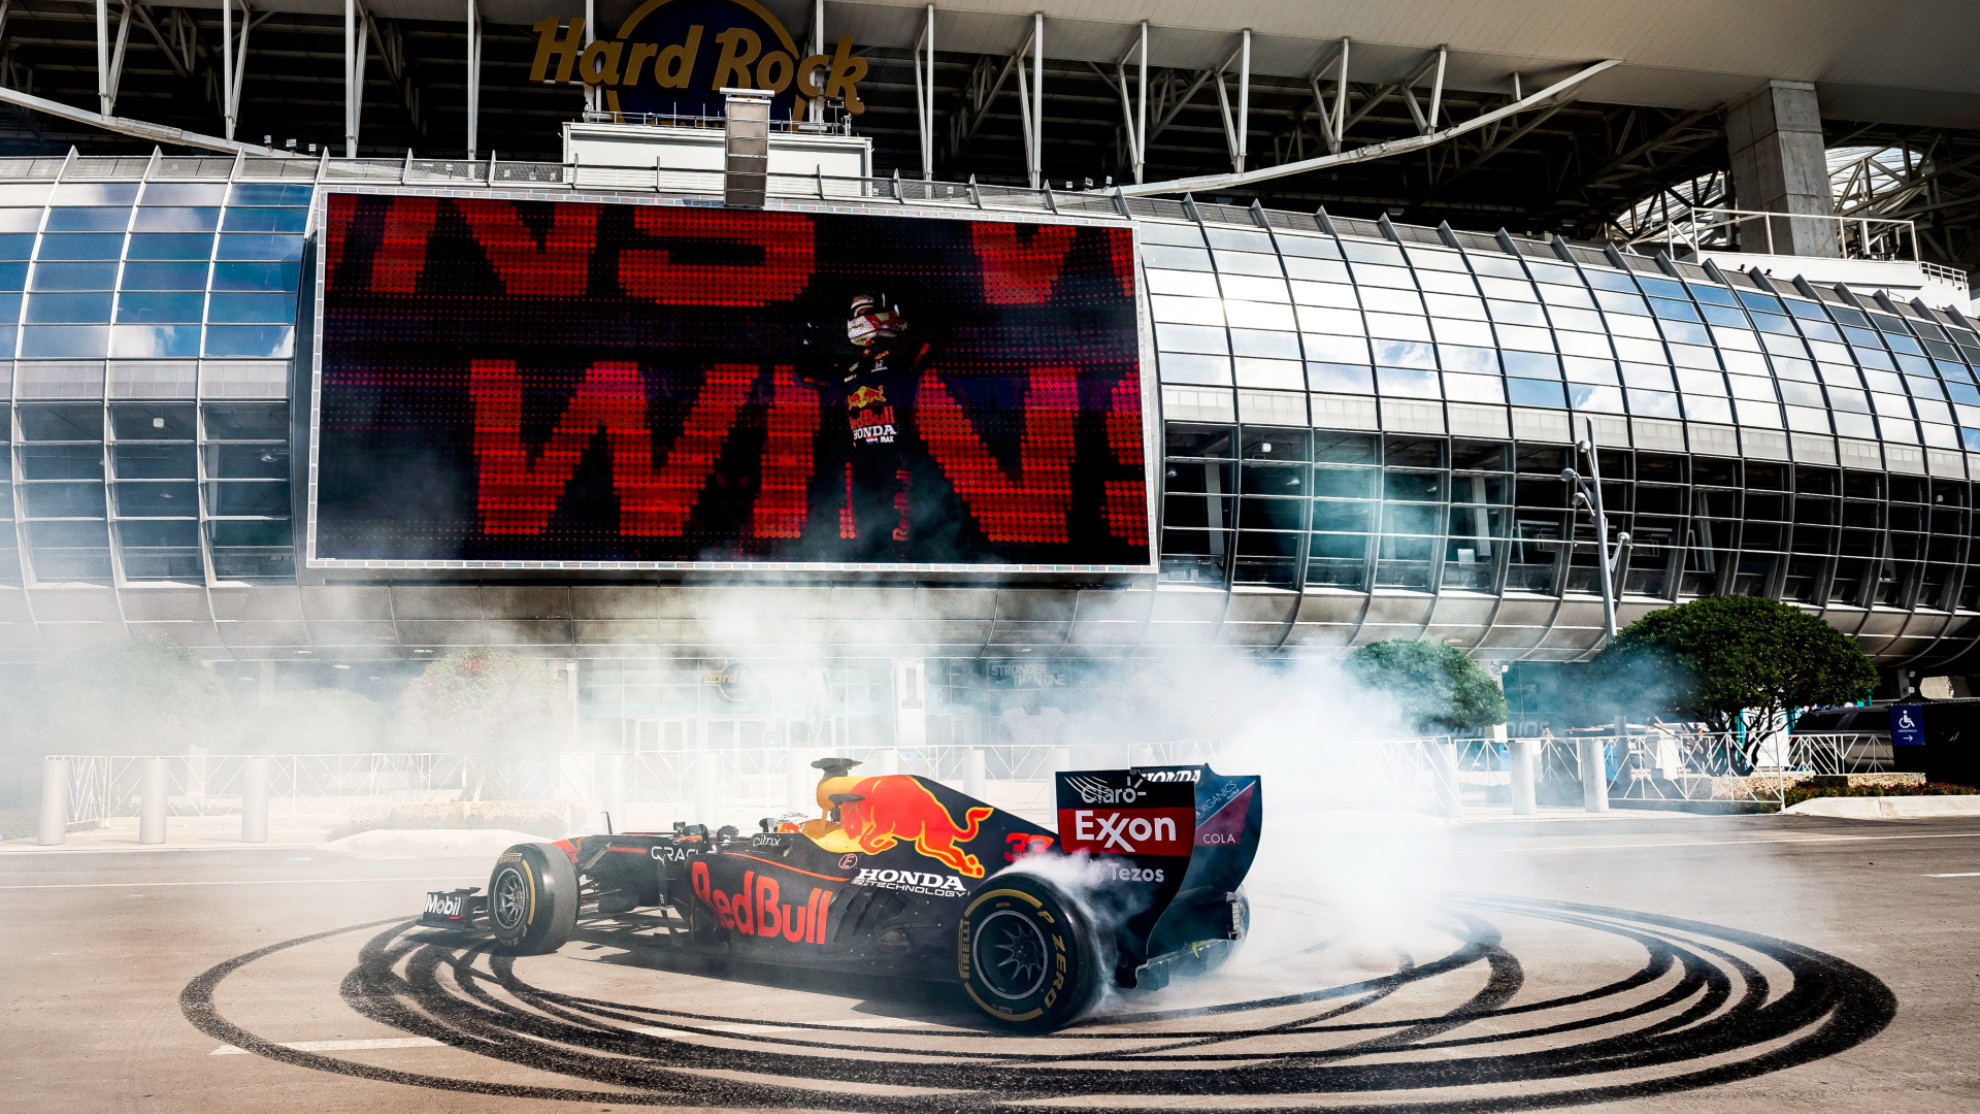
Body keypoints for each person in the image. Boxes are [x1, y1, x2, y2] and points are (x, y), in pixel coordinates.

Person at [801, 293, 935, 560]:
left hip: (894, 452)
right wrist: (808, 339)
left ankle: (896, 559)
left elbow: (931, 343)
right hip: (860, 454)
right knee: (862, 513)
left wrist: (901, 322)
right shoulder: (849, 366)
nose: (866, 320)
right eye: (859, 315)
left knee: (896, 515)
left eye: (869, 313)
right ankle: (869, 562)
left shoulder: (897, 358)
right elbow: (806, 374)